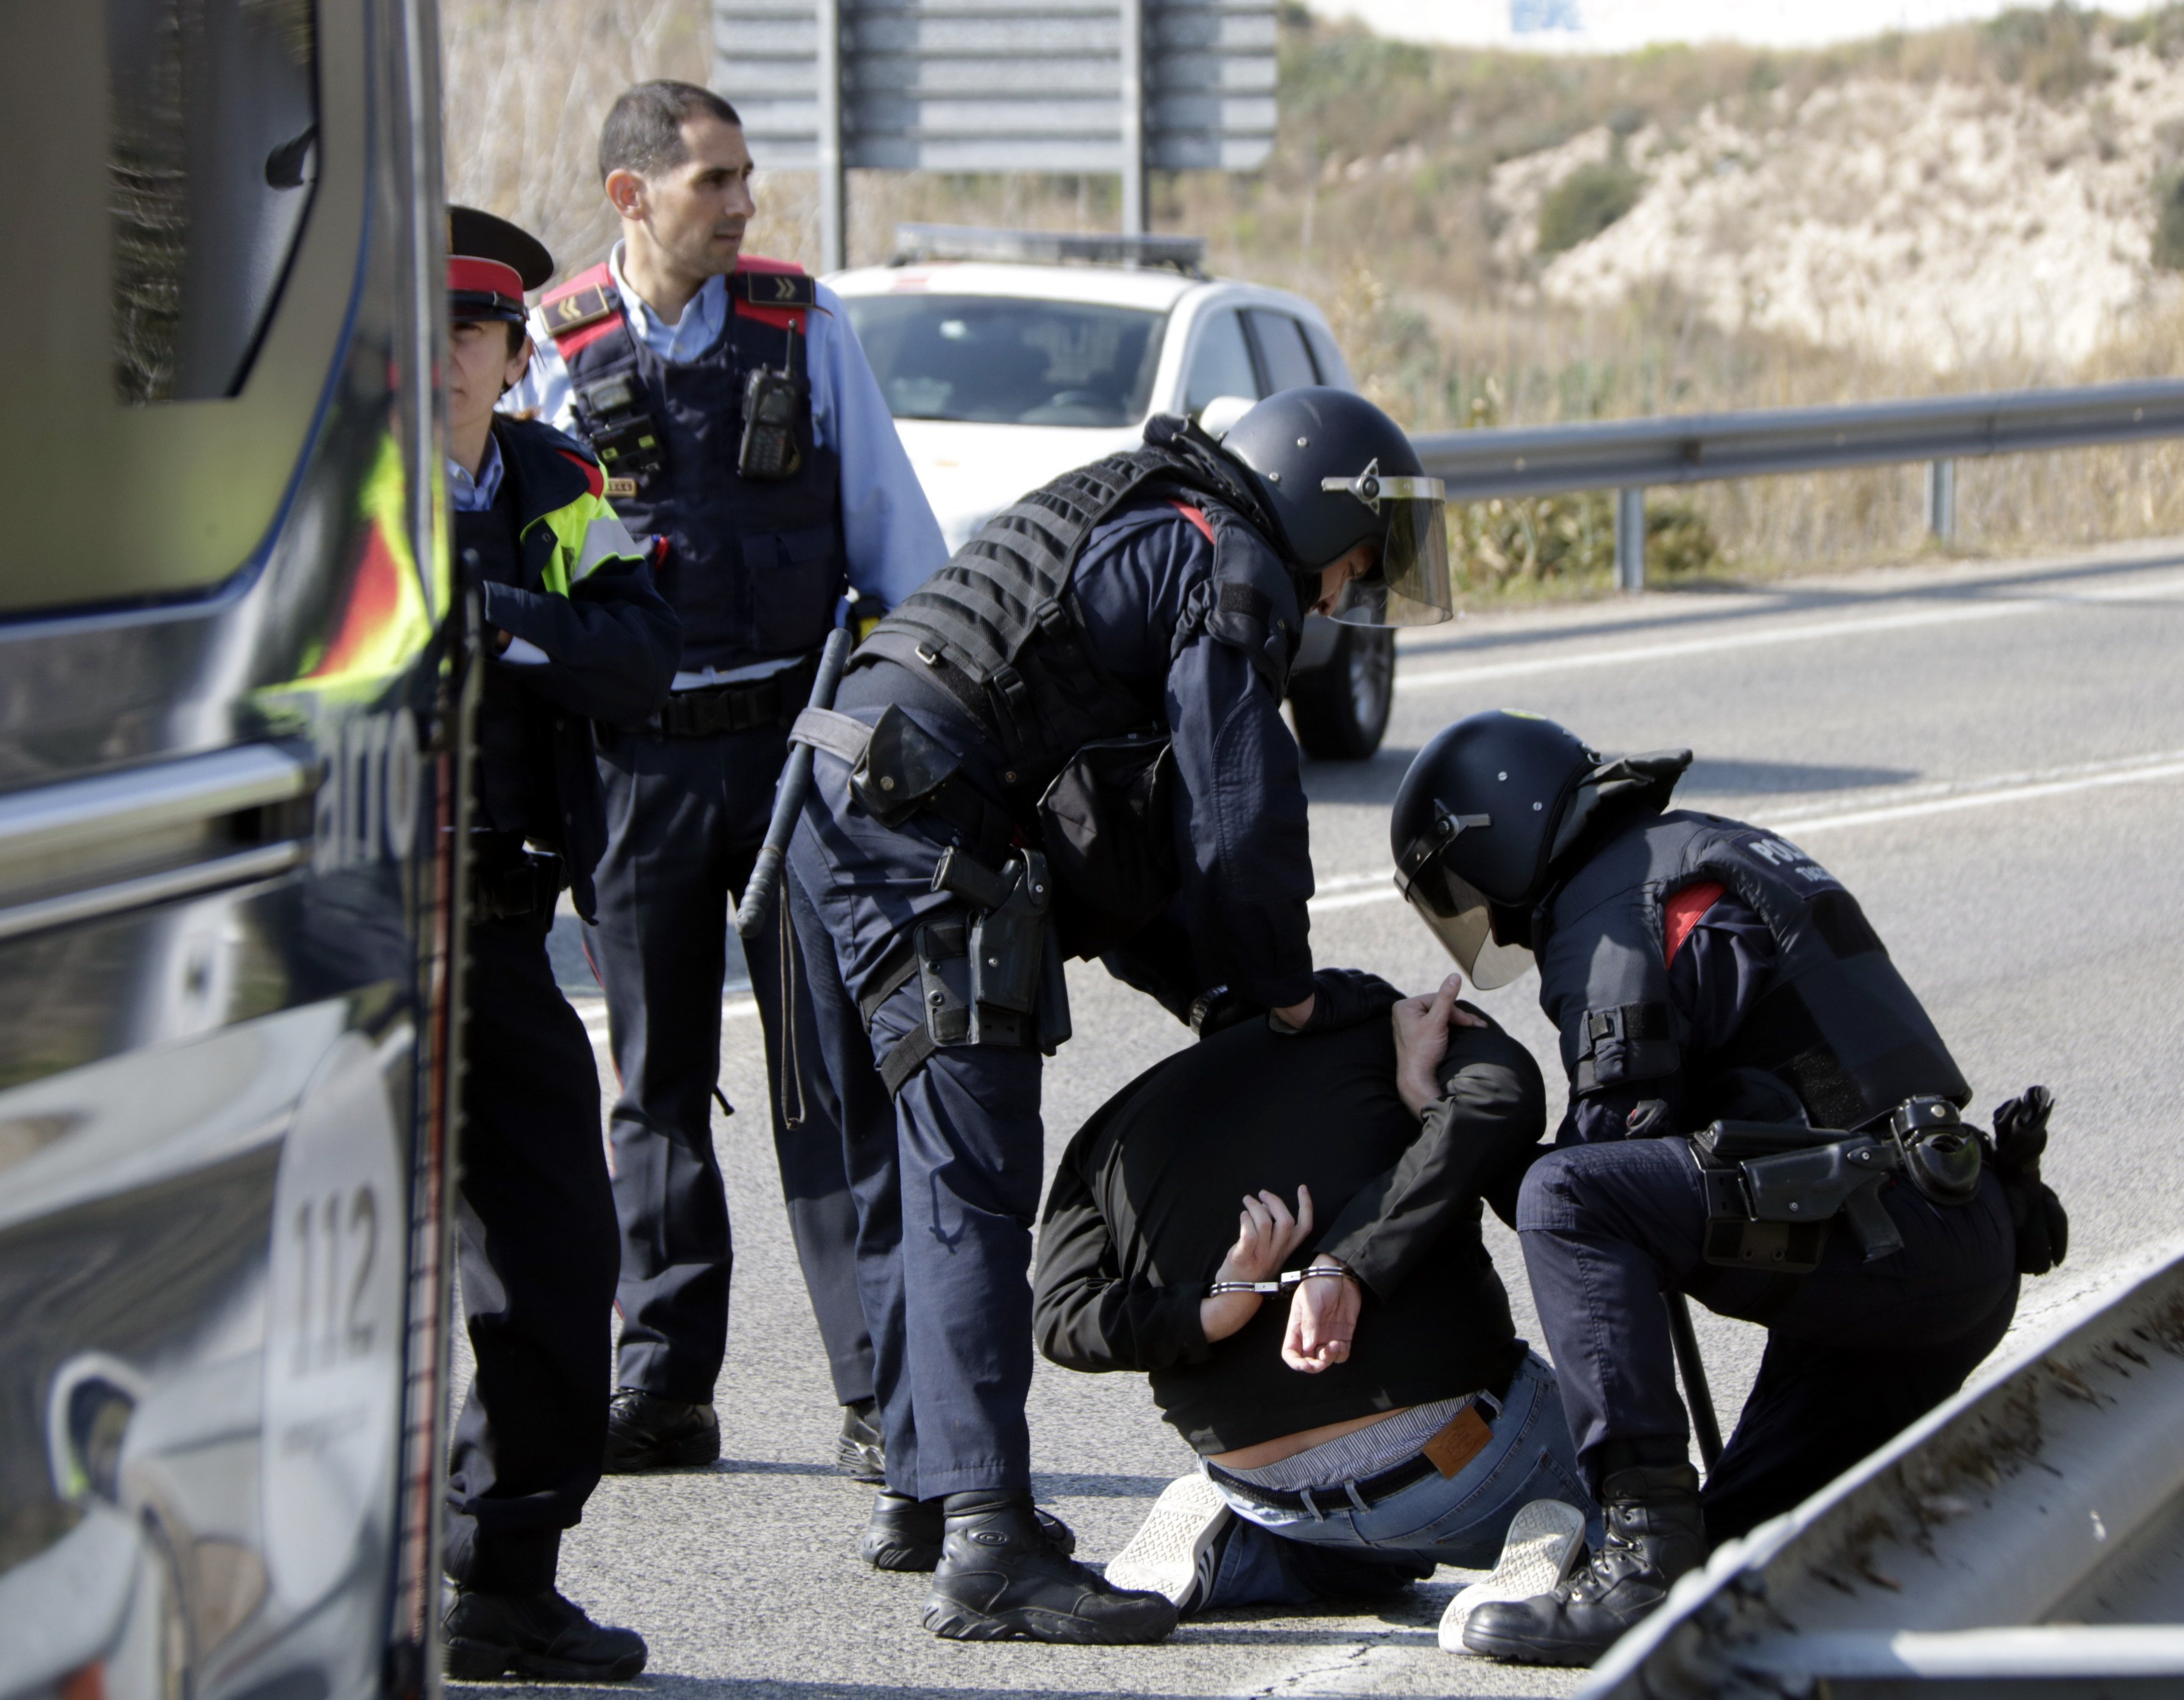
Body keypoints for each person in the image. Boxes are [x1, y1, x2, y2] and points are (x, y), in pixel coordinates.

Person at [780, 383, 1453, 1642]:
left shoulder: (1143, 510)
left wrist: (1210, 990)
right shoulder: (1232, 562)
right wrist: (1282, 986)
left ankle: (932, 1490)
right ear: (1317, 505)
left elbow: (1108, 836)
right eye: (1356, 560)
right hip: (916, 823)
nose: (1339, 592)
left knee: (912, 1167)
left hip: (832, 792)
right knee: (973, 1178)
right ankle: (988, 1541)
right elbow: (1236, 808)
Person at [1387, 710, 2071, 1666]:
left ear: (1496, 837)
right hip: (1951, 1239)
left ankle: (1638, 1559)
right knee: (1733, 1559)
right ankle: (1682, 1559)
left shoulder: (1605, 906)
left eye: (1468, 888)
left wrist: (1448, 1110)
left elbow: (1603, 1175)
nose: (1487, 917)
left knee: (1564, 1200)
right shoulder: (1699, 849)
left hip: (1882, 1239)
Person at [505, 81, 946, 1477]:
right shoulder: (548, 351)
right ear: (632, 194)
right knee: (655, 1081)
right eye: (716, 182)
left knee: (832, 1076)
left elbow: (899, 545)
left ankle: (879, 1389)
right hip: (631, 770)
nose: (744, 204)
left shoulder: (803, 321)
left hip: (792, 758)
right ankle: (665, 1385)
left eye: (747, 178)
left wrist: (905, 728)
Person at [1035, 975, 1600, 1644]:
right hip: (1458, 1461)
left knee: (1383, 1562)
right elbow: (1503, 1098)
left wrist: (1214, 1309)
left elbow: (1061, 1319)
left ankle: (1235, 1550)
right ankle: (1576, 1540)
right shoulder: (1407, 1025)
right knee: (1625, 1482)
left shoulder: (1110, 1125)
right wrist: (1417, 1108)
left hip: (1257, 1486)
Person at [436, 207, 680, 1680]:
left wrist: (494, 617)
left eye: (470, 334)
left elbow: (637, 657)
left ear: (513, 354)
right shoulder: (338, 485)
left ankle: (503, 1572)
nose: (443, 360)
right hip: (340, 935)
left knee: (556, 1255)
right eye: (421, 334)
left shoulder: (556, 480)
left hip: (502, 925)